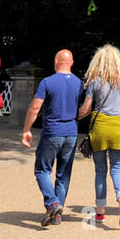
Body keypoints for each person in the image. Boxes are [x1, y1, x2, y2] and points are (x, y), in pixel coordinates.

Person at [22, 48, 83, 226]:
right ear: (71, 63)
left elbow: (35, 108)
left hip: (52, 132)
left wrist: (27, 129)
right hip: (71, 133)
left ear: (56, 61)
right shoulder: (80, 84)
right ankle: (57, 215)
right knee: (63, 174)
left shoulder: (47, 82)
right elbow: (85, 108)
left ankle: (53, 204)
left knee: (42, 170)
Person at [78, 44, 120, 228]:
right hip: (118, 127)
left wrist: (73, 116)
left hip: (100, 127)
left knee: (100, 171)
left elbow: (86, 108)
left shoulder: (94, 82)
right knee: (117, 168)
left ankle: (100, 213)